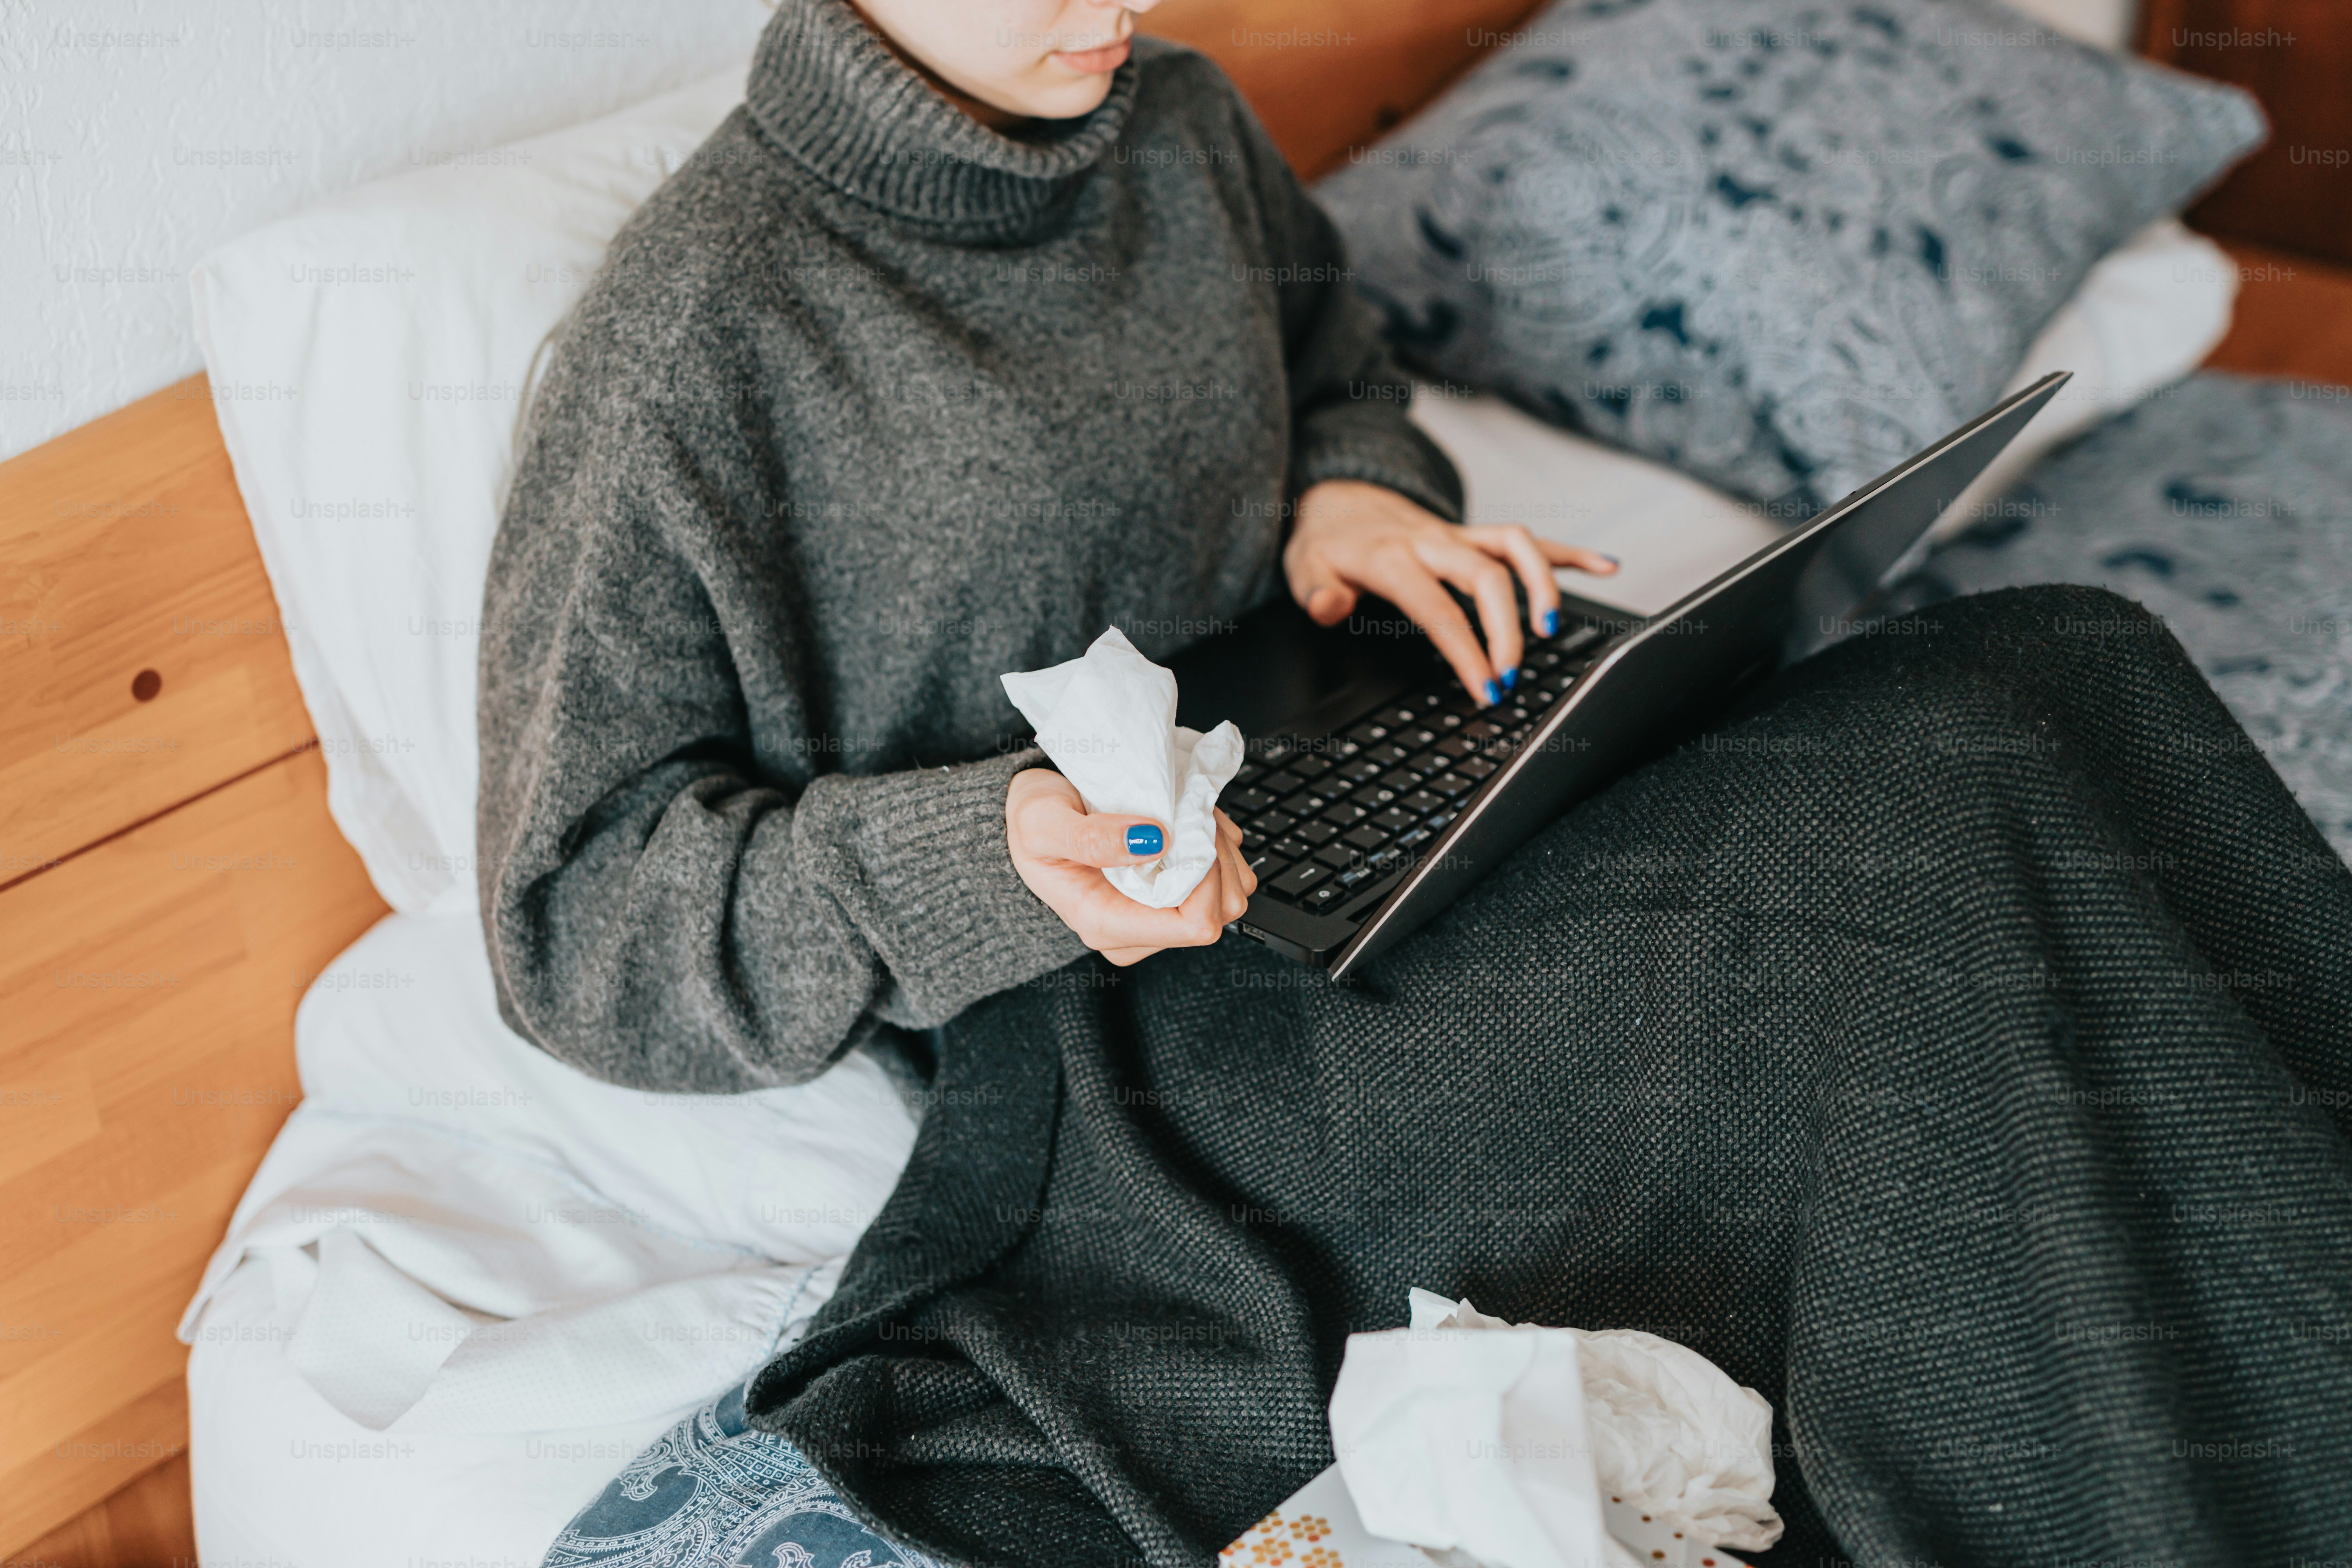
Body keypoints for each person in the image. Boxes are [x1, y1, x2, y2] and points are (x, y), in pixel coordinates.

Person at [484, 2, 2352, 1564]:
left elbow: (1339, 370)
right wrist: (988, 850)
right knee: (1901, 877)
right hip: (1122, 1032)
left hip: (1361, 802)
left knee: (2045, 666)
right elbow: (579, 933)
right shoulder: (691, 346)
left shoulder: (1172, 126)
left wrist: (1356, 501)